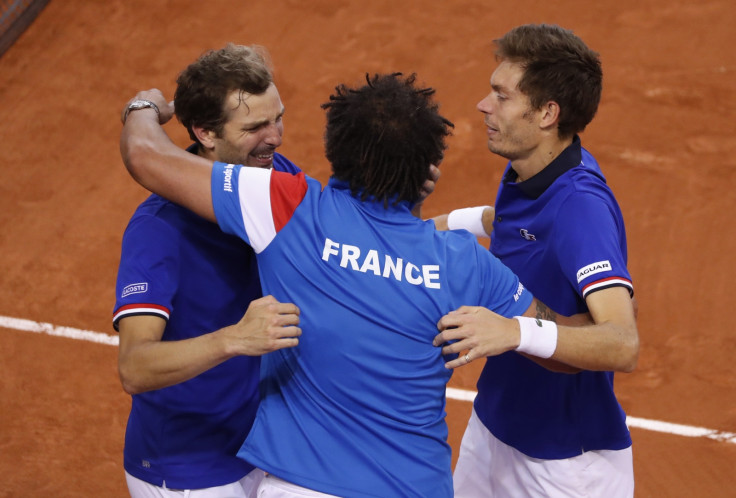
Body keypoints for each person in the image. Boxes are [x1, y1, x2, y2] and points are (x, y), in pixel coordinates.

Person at [117, 71, 600, 497]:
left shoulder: (289, 208)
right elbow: (567, 349)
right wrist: (575, 310)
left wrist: (144, 107)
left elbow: (145, 155)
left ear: (336, 147)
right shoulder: (465, 265)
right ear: (429, 166)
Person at [433, 24, 639, 497]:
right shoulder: (531, 166)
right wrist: (422, 234)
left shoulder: (580, 208)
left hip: (565, 464)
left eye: (502, 96)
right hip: (496, 427)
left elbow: (622, 342)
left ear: (547, 113)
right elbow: (505, 219)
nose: (484, 106)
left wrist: (512, 330)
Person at [113, 43, 303, 497]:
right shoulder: (159, 230)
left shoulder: (274, 175)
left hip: (261, 442)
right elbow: (134, 367)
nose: (275, 137)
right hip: (186, 469)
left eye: (277, 118)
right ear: (205, 132)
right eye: (256, 127)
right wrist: (234, 338)